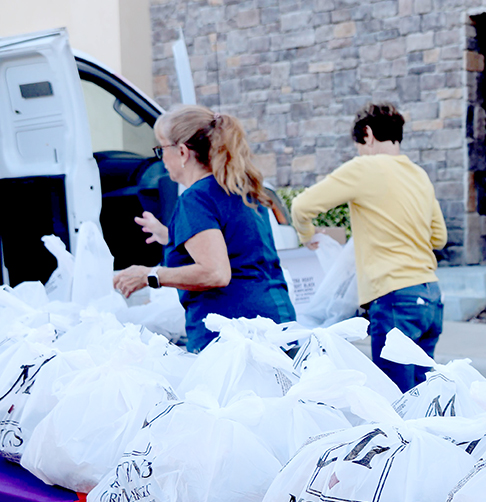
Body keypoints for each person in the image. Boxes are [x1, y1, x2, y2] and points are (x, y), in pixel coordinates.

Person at [290, 102, 447, 392]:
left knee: (395, 403)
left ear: (368, 133)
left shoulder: (364, 167)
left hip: (394, 298)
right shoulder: (419, 175)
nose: (359, 152)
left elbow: (301, 206)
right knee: (426, 399)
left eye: (359, 145)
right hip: (430, 297)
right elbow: (438, 237)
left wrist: (307, 236)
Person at [113, 105, 296, 352]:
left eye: (161, 148)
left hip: (231, 341)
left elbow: (216, 273)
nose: (161, 159)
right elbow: (234, 245)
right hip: (275, 325)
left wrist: (149, 275)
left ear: (182, 151)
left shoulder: (195, 200)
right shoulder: (241, 189)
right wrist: (170, 236)